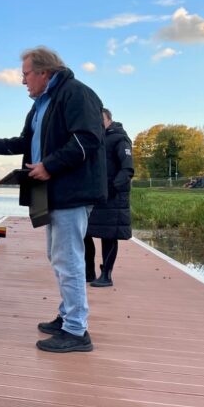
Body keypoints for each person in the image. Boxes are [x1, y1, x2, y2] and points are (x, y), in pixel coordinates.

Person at [0, 46, 105, 353]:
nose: (22, 81)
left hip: (71, 190)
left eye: (25, 74)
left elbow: (88, 139)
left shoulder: (76, 94)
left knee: (68, 259)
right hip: (51, 192)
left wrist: (49, 165)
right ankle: (68, 314)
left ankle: (77, 331)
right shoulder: (42, 103)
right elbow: (25, 142)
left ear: (44, 72)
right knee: (58, 258)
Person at [84, 108, 134, 287]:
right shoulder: (95, 139)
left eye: (100, 120)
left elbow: (127, 169)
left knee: (109, 235)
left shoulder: (120, 139)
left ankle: (106, 275)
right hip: (95, 196)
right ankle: (88, 271)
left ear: (108, 119)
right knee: (85, 232)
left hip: (113, 197)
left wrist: (112, 188)